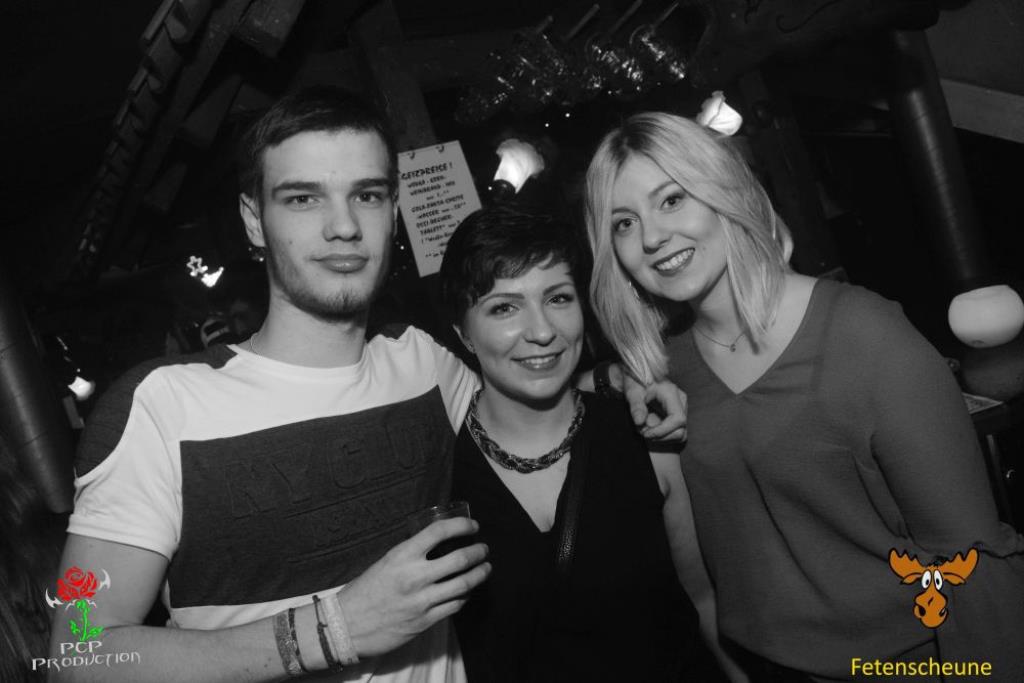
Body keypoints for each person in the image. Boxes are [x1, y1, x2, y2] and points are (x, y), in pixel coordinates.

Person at [51, 87, 686, 682]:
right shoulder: (161, 407)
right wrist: (333, 630)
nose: (344, 226)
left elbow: (531, 394)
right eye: (303, 198)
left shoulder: (422, 364)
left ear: (394, 210)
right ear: (253, 220)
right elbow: (76, 654)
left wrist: (623, 380)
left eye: (368, 195)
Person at [584, 110, 1024, 681]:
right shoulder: (669, 367)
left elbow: (973, 560)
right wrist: (625, 376)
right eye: (623, 223)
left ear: (725, 191)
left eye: (672, 200)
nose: (650, 238)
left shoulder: (864, 335)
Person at [439, 205, 727, 682]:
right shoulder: (438, 475)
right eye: (504, 307)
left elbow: (704, 599)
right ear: (463, 333)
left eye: (558, 298)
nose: (542, 332)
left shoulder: (645, 436)